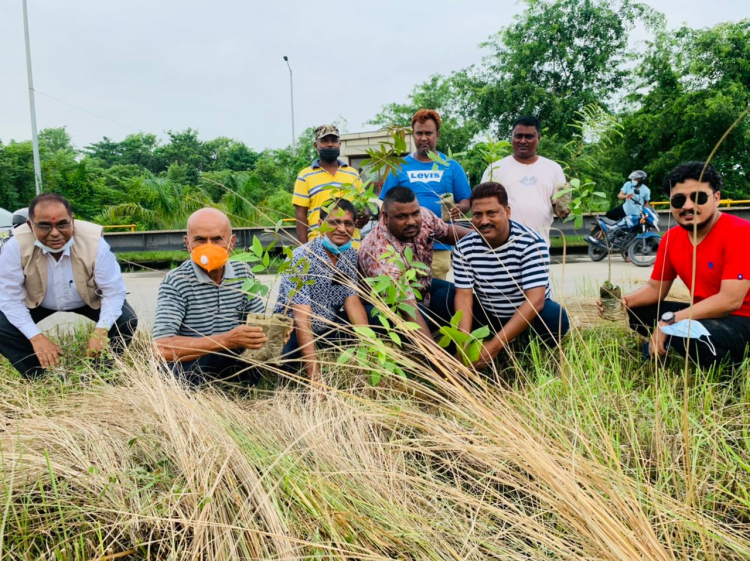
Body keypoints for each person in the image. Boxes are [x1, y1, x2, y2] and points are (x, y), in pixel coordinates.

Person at [600, 162, 750, 369]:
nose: (687, 206)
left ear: (716, 198)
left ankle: (728, 367)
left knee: (685, 333)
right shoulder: (671, 238)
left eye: (698, 197)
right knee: (638, 311)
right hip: (706, 314)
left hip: (742, 318)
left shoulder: (741, 232)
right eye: (679, 200)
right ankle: (677, 342)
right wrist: (623, 302)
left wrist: (669, 322)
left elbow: (730, 301)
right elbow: (655, 289)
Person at [0, 193, 137, 378]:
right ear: (30, 225)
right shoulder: (14, 246)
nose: (55, 233)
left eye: (62, 224)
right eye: (44, 226)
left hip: (88, 299)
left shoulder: (95, 243)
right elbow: (9, 300)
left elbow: (114, 292)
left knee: (126, 320)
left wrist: (101, 331)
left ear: (72, 221)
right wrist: (36, 338)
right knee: (2, 326)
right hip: (36, 301)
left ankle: (99, 374)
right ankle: (41, 377)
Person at [453, 182, 570, 369]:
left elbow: (535, 300)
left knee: (554, 316)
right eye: (477, 215)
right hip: (490, 315)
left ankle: (527, 351)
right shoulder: (464, 247)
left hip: (527, 316)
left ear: (507, 212)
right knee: (444, 297)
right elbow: (464, 295)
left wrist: (494, 346)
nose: (484, 221)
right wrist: (463, 342)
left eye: (492, 213)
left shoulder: (530, 242)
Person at [152, 208, 269, 384]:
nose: (209, 247)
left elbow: (259, 325)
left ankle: (240, 391)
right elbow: (161, 347)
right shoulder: (176, 281)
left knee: (279, 349)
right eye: (200, 240)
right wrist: (226, 340)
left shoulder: (243, 273)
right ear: (188, 243)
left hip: (231, 359)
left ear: (231, 242)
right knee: (172, 371)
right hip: (194, 363)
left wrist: (272, 332)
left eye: (217, 239)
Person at [359, 186, 472, 343]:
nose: (411, 221)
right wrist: (440, 362)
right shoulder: (380, 252)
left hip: (421, 288)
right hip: (390, 308)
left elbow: (447, 232)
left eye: (415, 213)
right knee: (424, 319)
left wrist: (483, 240)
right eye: (402, 216)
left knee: (454, 297)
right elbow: (407, 309)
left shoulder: (424, 216)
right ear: (385, 217)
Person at [274, 199, 369, 380]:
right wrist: (315, 377)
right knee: (286, 366)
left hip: (326, 326)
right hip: (293, 329)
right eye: (334, 222)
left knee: (374, 319)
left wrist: (368, 347)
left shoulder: (349, 255)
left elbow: (352, 300)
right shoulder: (301, 258)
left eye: (348, 223)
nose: (341, 229)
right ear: (320, 225)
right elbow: (302, 318)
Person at [379, 109, 471, 280]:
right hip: (403, 247)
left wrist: (460, 208)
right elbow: (385, 205)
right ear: (413, 135)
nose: (423, 138)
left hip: (439, 246)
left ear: (437, 135)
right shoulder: (400, 166)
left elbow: (466, 199)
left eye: (428, 133)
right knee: (403, 293)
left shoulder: (451, 165)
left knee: (436, 295)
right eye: (418, 133)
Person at [480, 115, 569, 245]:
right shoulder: (495, 169)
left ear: (538, 138)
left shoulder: (553, 168)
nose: (523, 141)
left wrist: (564, 210)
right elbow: (483, 206)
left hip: (539, 246)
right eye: (518, 136)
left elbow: (559, 208)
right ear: (512, 138)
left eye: (529, 137)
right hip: (503, 246)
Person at [293, 125, 369, 247]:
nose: (330, 144)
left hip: (351, 247)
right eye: (324, 141)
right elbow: (300, 216)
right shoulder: (305, 175)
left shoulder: (352, 173)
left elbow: (364, 205)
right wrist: (304, 251)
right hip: (319, 247)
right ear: (316, 145)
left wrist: (366, 214)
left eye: (333, 140)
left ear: (339, 144)